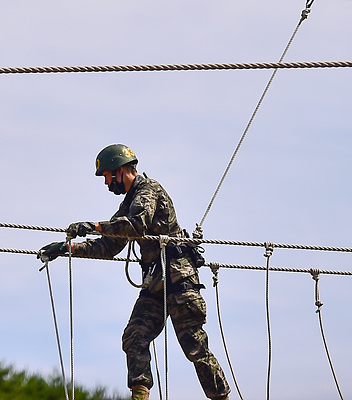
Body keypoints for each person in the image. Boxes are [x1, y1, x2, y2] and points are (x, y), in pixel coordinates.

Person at [38, 144, 231, 400]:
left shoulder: (148, 190)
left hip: (178, 281)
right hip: (155, 285)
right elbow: (109, 245)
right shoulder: (129, 203)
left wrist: (93, 225)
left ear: (119, 170)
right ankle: (140, 395)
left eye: (107, 175)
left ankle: (221, 397)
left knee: (194, 348)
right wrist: (66, 247)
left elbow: (135, 226)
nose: (106, 183)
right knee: (134, 336)